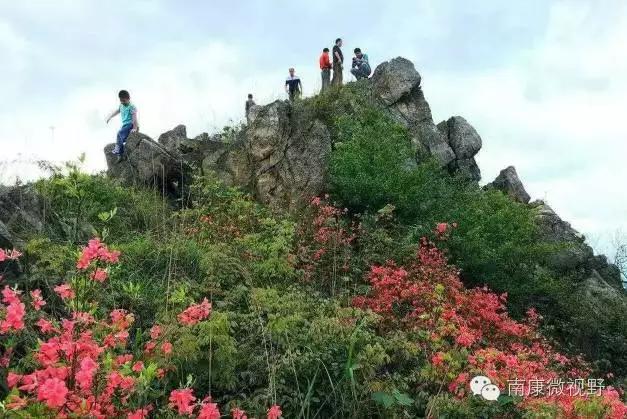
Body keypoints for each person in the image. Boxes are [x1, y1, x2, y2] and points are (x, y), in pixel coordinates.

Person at [106, 90, 138, 162]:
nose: (122, 102)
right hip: (124, 126)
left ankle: (117, 149)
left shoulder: (132, 106)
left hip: (131, 124)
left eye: (124, 101)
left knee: (119, 133)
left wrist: (135, 128)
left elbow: (135, 117)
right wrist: (110, 116)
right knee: (120, 139)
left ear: (128, 98)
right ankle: (120, 155)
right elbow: (117, 111)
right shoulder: (121, 105)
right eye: (121, 101)